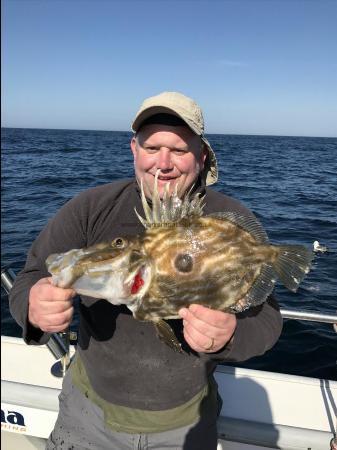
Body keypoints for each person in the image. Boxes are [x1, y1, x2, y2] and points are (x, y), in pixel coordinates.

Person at [9, 91, 283, 450]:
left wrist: (230, 335)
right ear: (134, 150)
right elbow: (30, 277)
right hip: (87, 412)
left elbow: (267, 319)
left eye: (180, 150)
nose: (163, 163)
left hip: (188, 421)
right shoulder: (90, 208)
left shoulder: (227, 221)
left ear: (201, 156)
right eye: (152, 148)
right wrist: (33, 306)